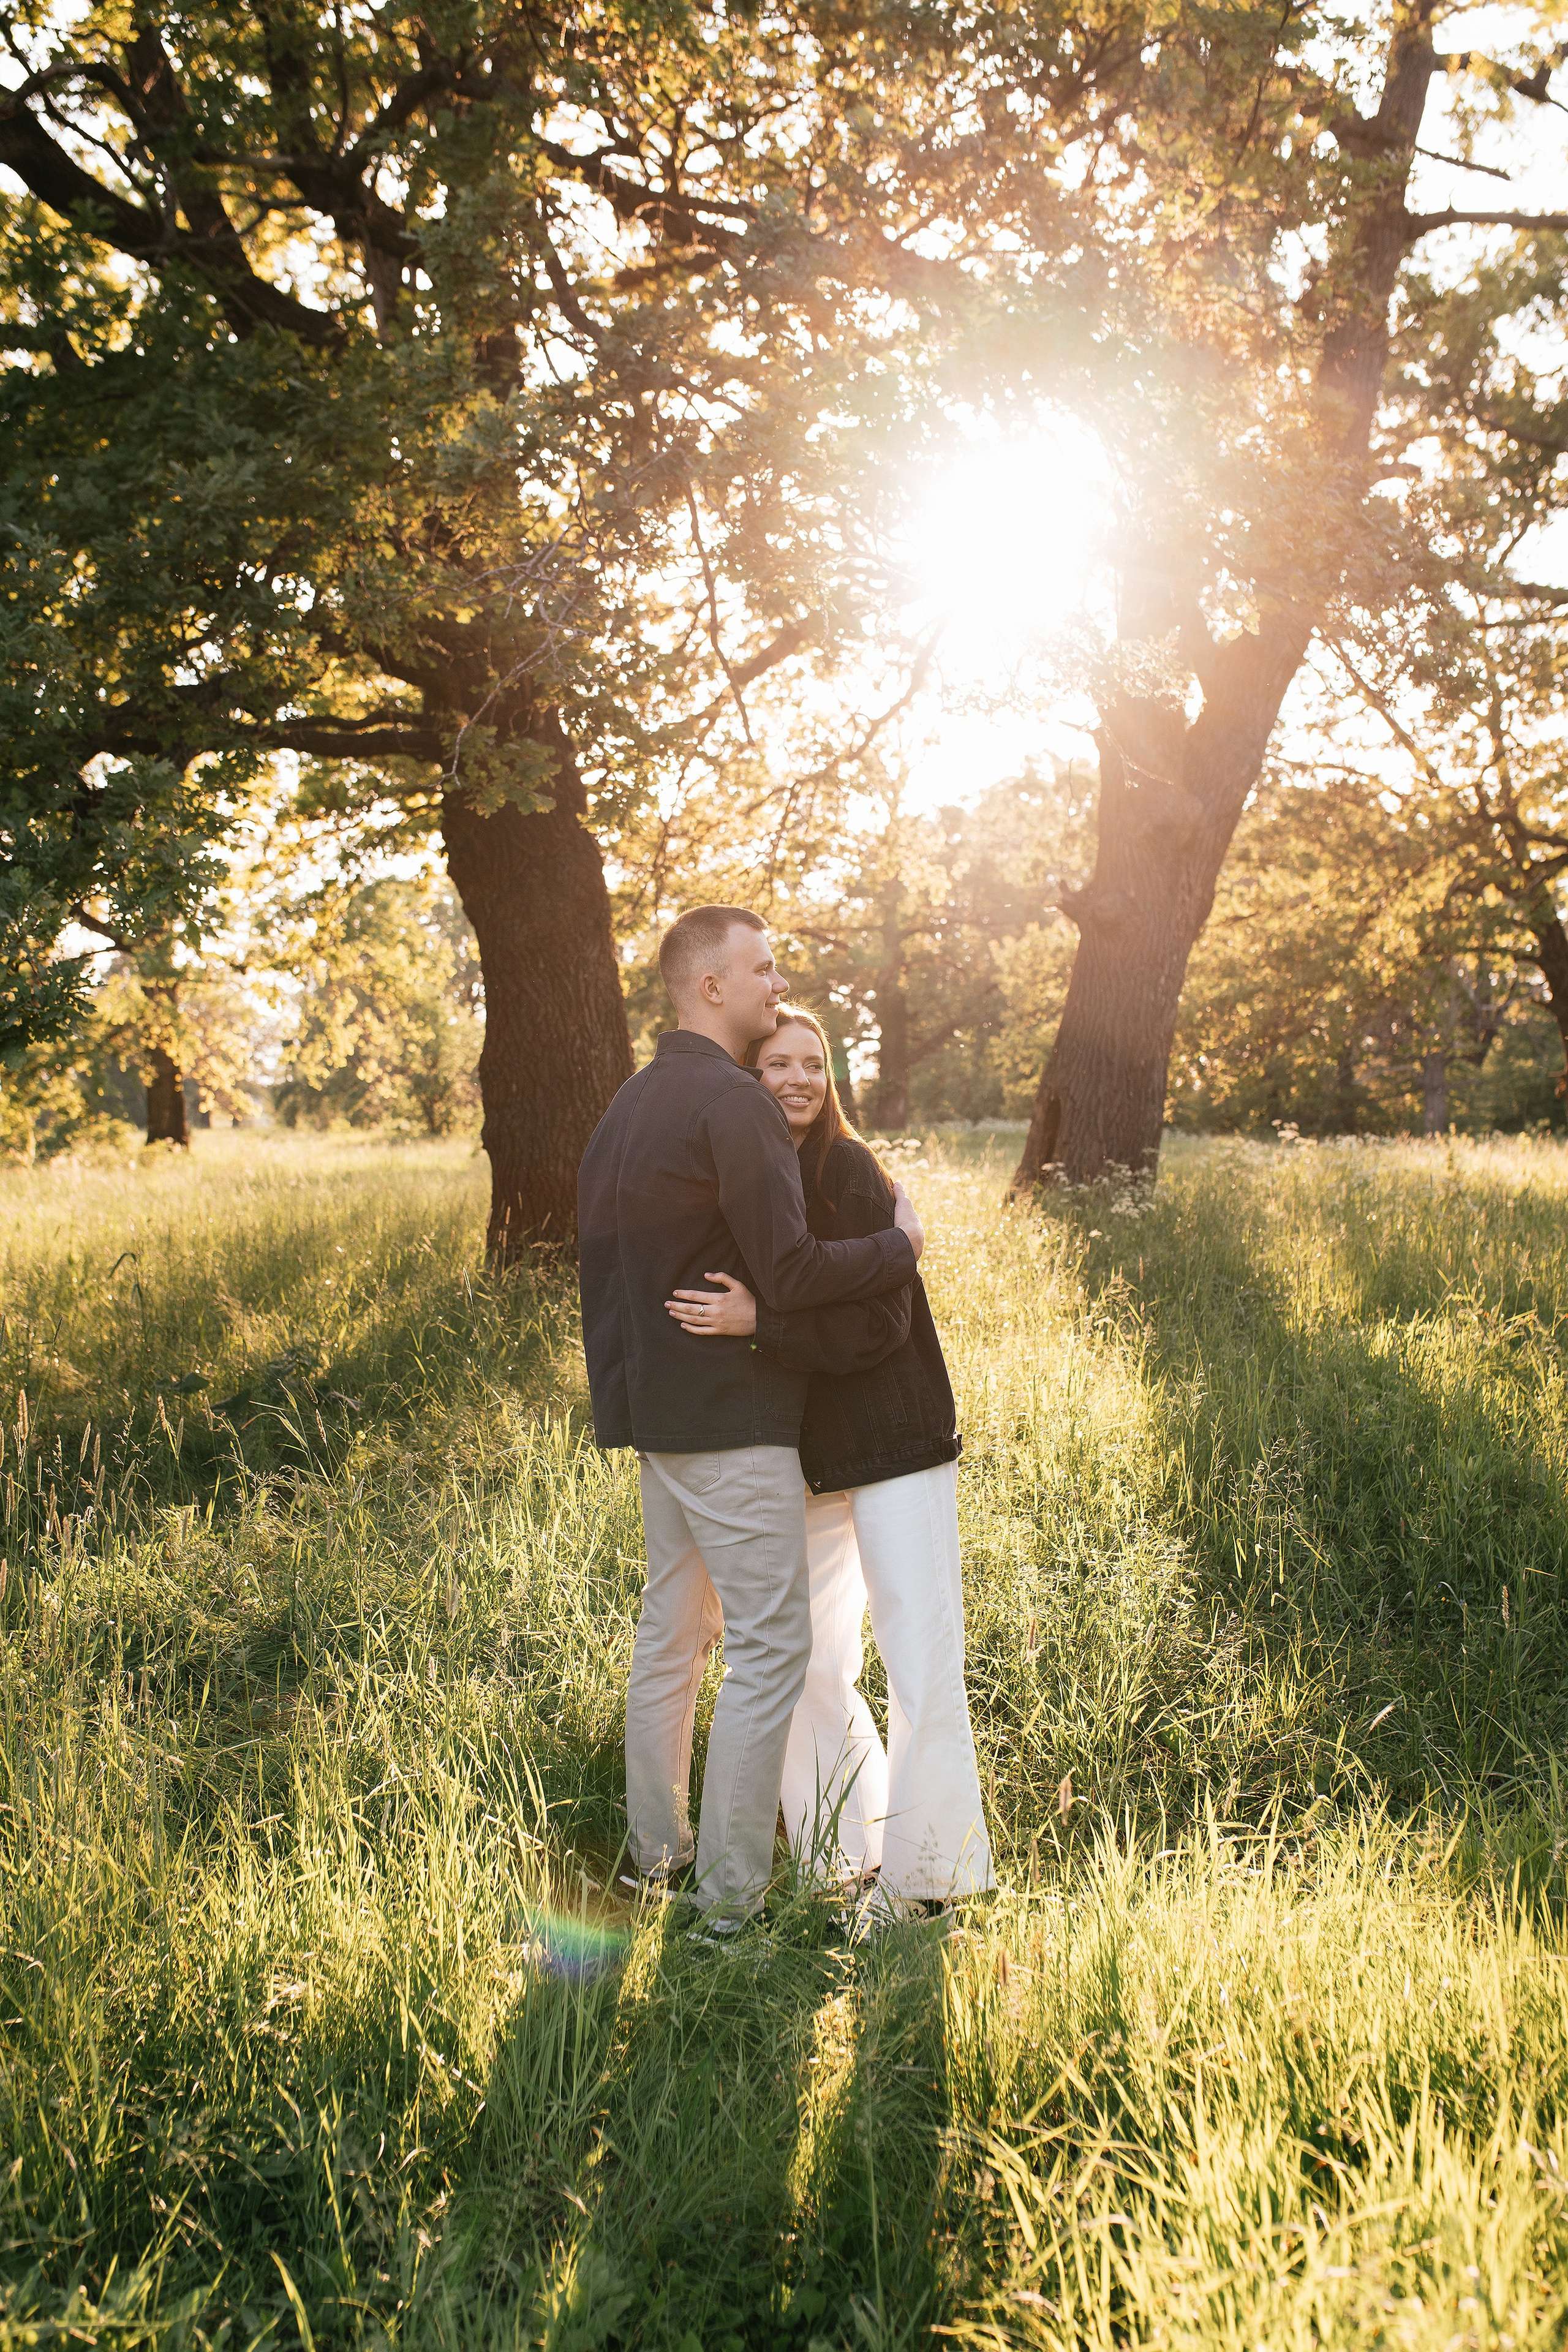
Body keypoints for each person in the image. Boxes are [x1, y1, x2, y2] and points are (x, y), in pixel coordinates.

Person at [577, 907, 925, 1927]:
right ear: (711, 986)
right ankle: (731, 1903)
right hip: (734, 1420)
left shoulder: (625, 1108)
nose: (780, 983)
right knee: (771, 1648)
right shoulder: (733, 1105)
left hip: (658, 1422)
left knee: (668, 1640)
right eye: (763, 969)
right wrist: (900, 1245)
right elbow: (792, 1271)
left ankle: (655, 1864)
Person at [665, 1006, 993, 1913]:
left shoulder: (846, 1168)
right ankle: (842, 1855)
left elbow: (880, 1323)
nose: (800, 1078)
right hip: (805, 1455)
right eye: (778, 1064)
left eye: (814, 1063)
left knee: (920, 1658)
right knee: (808, 1665)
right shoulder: (750, 1173)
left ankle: (933, 1877)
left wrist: (761, 1326)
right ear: (748, 1076)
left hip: (895, 1440)